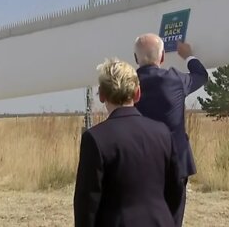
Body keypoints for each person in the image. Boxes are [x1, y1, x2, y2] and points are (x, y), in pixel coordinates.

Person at [73, 58, 181, 227]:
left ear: (101, 94)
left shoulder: (95, 138)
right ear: (137, 93)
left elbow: (87, 201)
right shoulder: (162, 133)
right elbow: (175, 190)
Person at [133, 33, 208, 226]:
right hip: (175, 164)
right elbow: (201, 75)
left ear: (135, 58)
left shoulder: (129, 84)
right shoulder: (175, 79)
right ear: (163, 56)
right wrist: (189, 56)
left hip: (139, 164)